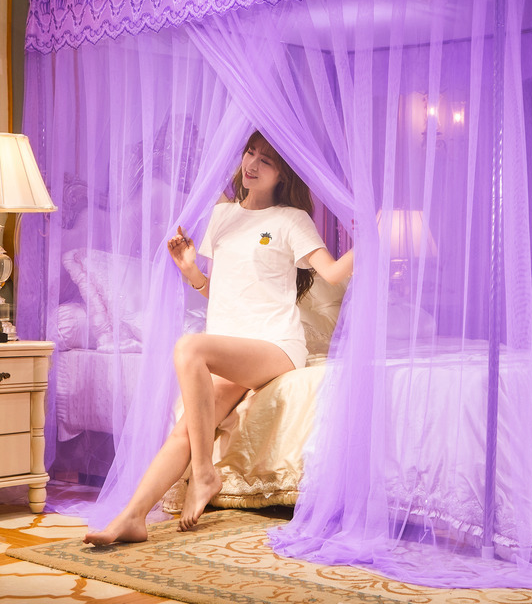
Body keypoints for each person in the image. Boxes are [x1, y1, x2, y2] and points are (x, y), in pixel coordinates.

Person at [84, 131, 353, 545]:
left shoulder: (290, 219)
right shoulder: (222, 216)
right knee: (187, 429)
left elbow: (332, 274)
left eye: (266, 160)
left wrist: (372, 241)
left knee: (189, 347)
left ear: (282, 174)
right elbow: (226, 291)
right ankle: (132, 518)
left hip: (276, 345)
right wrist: (192, 271)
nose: (252, 164)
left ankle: (204, 472)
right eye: (250, 153)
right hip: (232, 346)